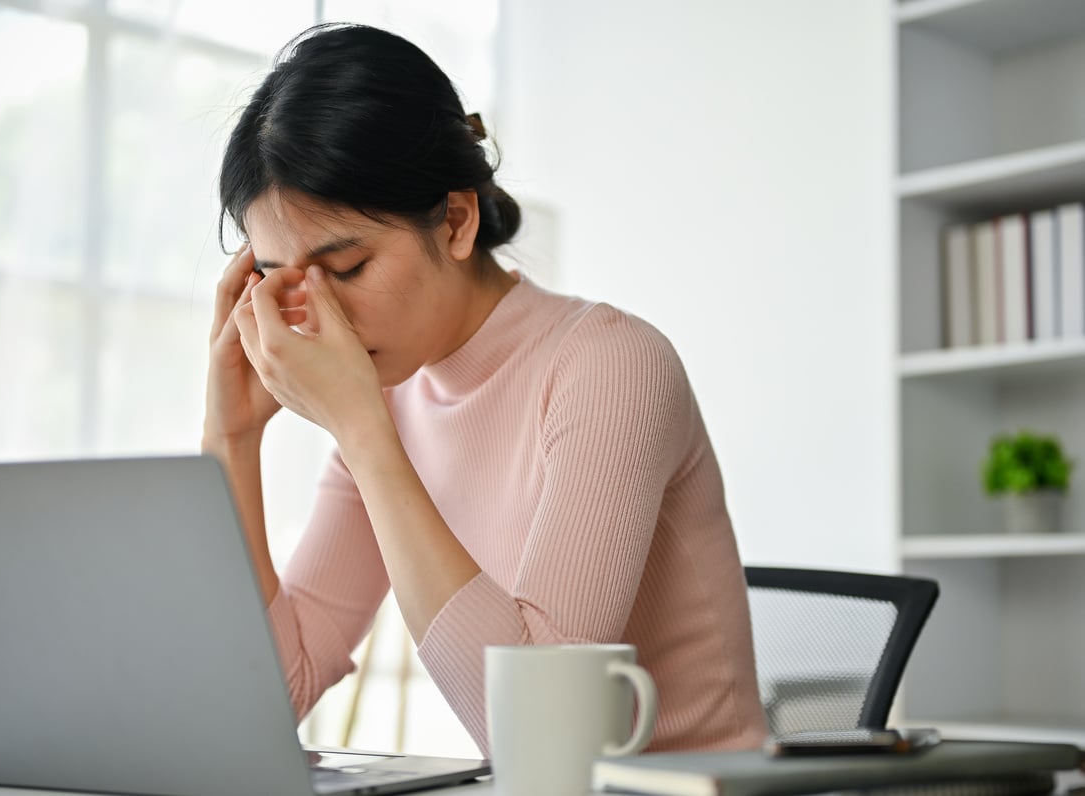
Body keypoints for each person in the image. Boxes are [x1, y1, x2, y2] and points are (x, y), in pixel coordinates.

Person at [203, 22, 767, 755]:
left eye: (346, 269)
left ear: (458, 221)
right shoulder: (390, 398)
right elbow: (270, 695)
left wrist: (363, 432)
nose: (323, 317)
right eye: (284, 279)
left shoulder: (609, 366)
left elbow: (541, 737)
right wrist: (231, 441)